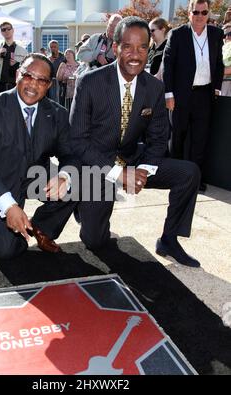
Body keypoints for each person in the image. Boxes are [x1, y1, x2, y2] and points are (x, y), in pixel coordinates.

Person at [70, 16, 201, 268]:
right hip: (97, 164)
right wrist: (120, 174)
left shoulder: (154, 88)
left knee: (188, 173)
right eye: (128, 46)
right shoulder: (89, 83)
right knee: (94, 241)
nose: (135, 54)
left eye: (142, 47)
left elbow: (159, 136)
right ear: (116, 46)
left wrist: (144, 170)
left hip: (132, 156)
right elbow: (78, 142)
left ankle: (169, 240)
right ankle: (83, 206)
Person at [0, 53, 78, 260]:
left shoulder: (57, 114)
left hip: (35, 177)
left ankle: (42, 227)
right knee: (8, 251)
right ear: (18, 74)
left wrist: (64, 176)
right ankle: (13, 221)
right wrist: (9, 205)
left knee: (85, 179)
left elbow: (70, 154)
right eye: (28, 76)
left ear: (49, 85)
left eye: (41, 80)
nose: (33, 84)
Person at [162, 0, 224, 192]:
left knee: (200, 140)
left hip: (204, 94)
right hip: (180, 96)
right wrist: (169, 94)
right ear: (189, 13)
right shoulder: (177, 34)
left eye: (203, 12)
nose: (199, 16)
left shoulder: (216, 34)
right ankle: (176, 179)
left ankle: (196, 180)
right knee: (177, 137)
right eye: (195, 12)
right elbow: (168, 66)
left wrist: (216, 88)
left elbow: (219, 63)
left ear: (209, 14)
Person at [0, 22, 27, 93]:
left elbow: (26, 69)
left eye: (8, 29)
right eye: (3, 30)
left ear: (13, 30)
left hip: (16, 85)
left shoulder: (23, 51)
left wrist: (17, 64)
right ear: (1, 33)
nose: (6, 31)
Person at [221, 23, 231, 96]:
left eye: (230, 34)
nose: (227, 37)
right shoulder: (222, 48)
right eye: (225, 35)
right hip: (223, 88)